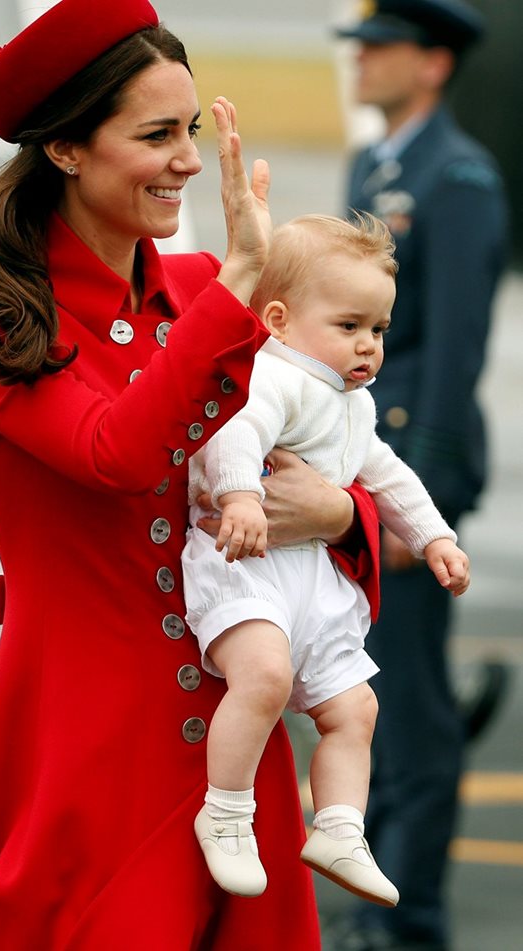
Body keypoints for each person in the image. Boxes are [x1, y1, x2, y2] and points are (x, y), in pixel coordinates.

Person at [0, 1, 385, 948]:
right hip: (83, 744)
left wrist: (338, 510)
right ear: (67, 150)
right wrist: (241, 283)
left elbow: (343, 446)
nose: (191, 162)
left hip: (230, 759)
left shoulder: (205, 293)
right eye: (157, 134)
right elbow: (116, 454)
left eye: (193, 131)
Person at [182, 212, 470, 906]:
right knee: (265, 678)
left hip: (312, 579)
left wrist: (435, 537)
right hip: (246, 564)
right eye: (349, 326)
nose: (368, 345)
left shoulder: (354, 404)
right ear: (278, 320)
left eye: (377, 329)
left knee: (356, 706)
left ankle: (340, 826)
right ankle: (224, 811)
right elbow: (232, 435)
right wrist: (243, 497)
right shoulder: (270, 378)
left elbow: (389, 475)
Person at [327, 1, 510, 948]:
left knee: (411, 716)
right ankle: (379, 905)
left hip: (405, 482)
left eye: (381, 48)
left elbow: (453, 353)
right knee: (370, 700)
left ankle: (410, 922)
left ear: (433, 63)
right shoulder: (381, 167)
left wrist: (419, 499)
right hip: (360, 471)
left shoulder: (457, 177)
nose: (360, 62)